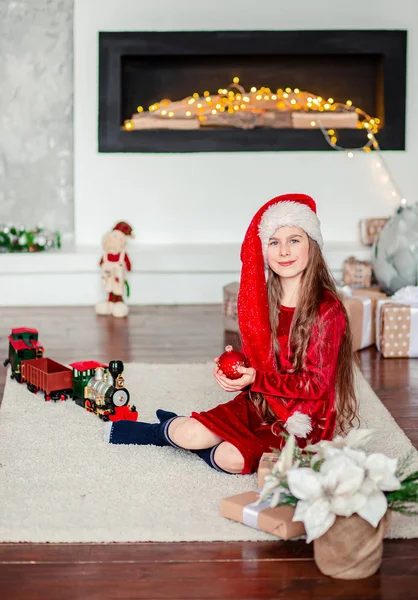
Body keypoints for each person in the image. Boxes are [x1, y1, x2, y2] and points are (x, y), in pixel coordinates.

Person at [104, 194, 358, 475]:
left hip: (304, 418)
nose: (284, 251)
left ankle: (200, 439)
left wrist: (257, 378)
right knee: (189, 434)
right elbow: (260, 361)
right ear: (264, 250)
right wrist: (239, 372)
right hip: (262, 402)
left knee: (231, 459)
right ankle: (161, 431)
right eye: (274, 242)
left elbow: (316, 385)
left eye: (294, 240)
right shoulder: (264, 301)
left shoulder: (327, 309)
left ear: (313, 245)